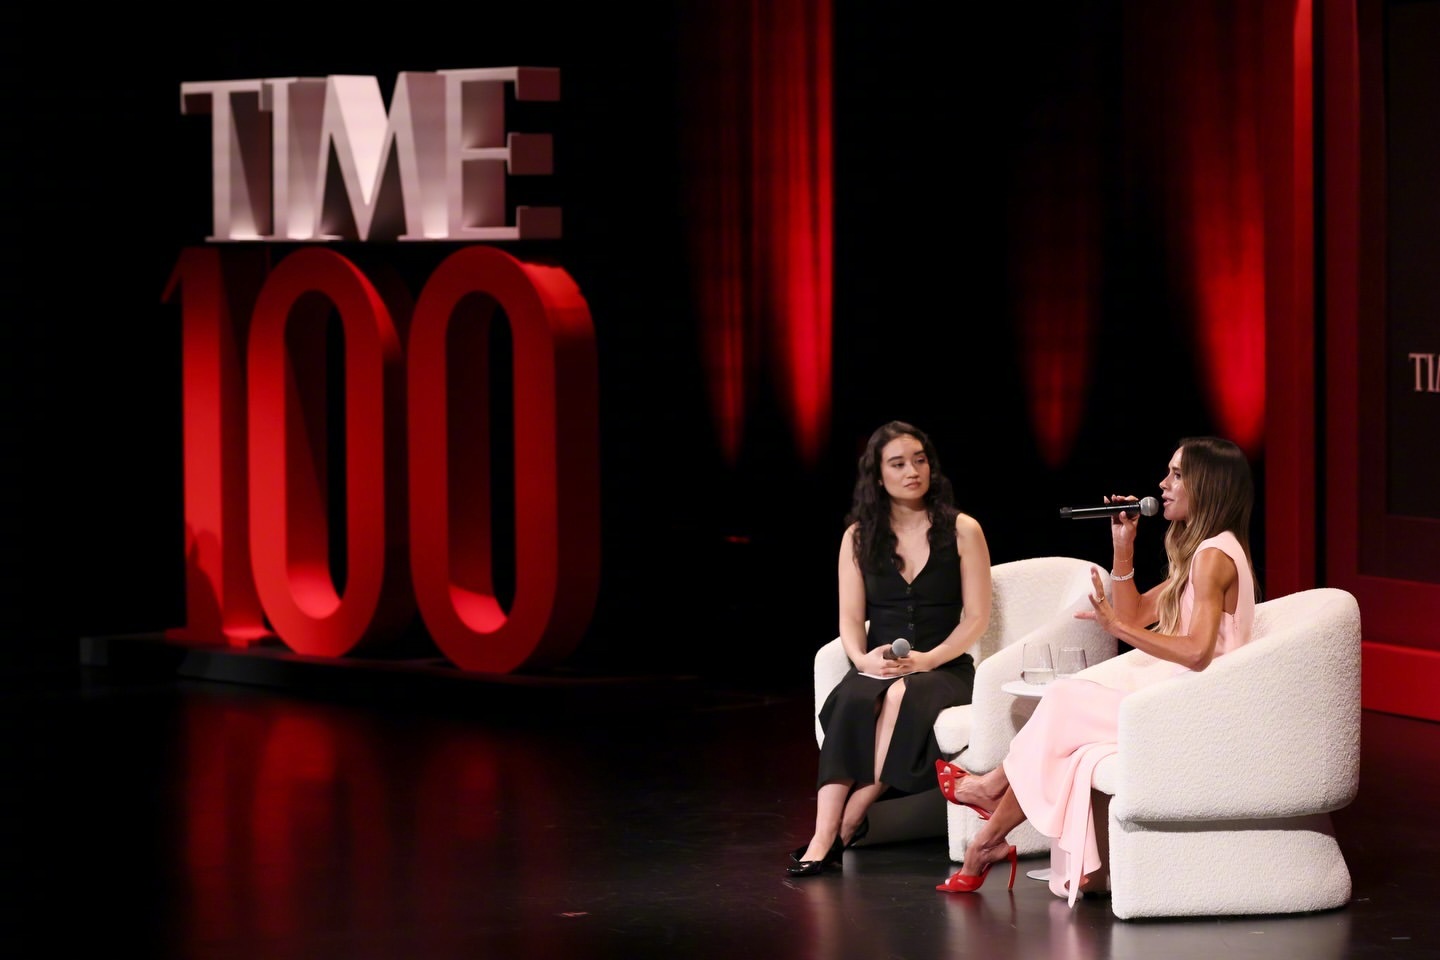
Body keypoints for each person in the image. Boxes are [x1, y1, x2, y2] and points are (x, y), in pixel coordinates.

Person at [932, 436, 1257, 903]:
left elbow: (1197, 652)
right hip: (1181, 695)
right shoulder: (1207, 552)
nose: (1162, 485)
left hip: (1194, 707)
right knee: (1067, 711)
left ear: (1208, 485)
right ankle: (987, 835)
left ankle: (989, 800)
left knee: (1065, 702)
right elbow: (1135, 613)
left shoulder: (1213, 558)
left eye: (1177, 475)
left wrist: (1116, 626)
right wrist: (1123, 547)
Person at [789, 421, 993, 877]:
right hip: (880, 663)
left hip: (944, 667)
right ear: (878, 476)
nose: (912, 471)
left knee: (903, 694)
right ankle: (823, 834)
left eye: (919, 460)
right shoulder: (859, 537)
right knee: (851, 698)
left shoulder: (963, 529)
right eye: (898, 464)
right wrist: (862, 659)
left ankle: (851, 819)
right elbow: (849, 618)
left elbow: (976, 617)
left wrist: (929, 659)